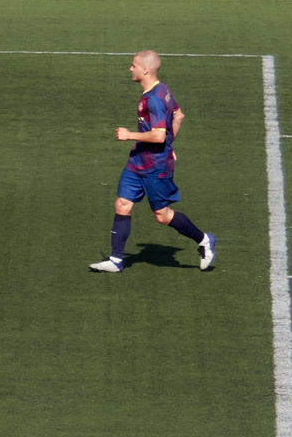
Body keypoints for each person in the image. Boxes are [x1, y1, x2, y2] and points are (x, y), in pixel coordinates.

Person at [91, 50, 216, 273]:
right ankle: (116, 260)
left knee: (163, 216)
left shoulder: (155, 100)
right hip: (138, 159)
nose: (130, 69)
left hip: (156, 166)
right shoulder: (162, 89)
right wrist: (170, 144)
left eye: (133, 65)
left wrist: (130, 135)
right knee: (122, 204)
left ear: (145, 69)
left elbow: (158, 135)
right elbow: (178, 116)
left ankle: (205, 240)